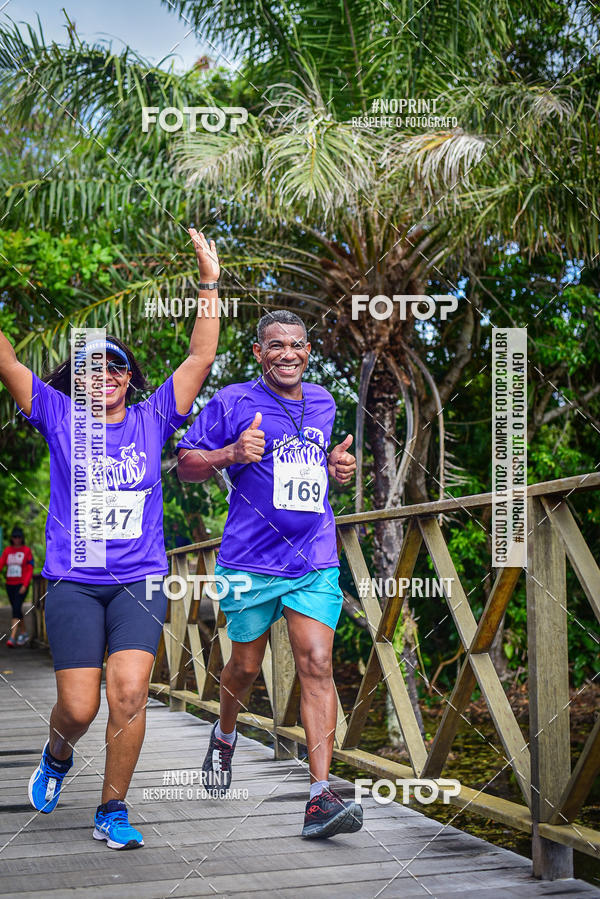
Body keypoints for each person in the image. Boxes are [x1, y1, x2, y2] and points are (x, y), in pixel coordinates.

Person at [0, 229, 220, 850]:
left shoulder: (153, 419)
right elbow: (10, 363)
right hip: (73, 580)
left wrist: (209, 280)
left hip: (139, 579)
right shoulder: (57, 414)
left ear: (128, 380)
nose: (105, 377)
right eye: (94, 367)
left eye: (116, 368)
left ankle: (113, 810)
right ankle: (57, 753)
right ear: (80, 378)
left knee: (127, 693)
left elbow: (200, 358)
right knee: (79, 707)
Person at [177, 309, 363, 839]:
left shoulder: (324, 402)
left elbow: (317, 469)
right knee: (244, 667)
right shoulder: (235, 400)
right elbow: (183, 461)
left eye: (298, 345)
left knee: (318, 663)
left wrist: (337, 470)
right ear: (259, 353)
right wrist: (231, 452)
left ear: (309, 351)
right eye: (276, 345)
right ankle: (225, 733)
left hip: (313, 554)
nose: (289, 353)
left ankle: (319, 797)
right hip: (248, 560)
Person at [0, 525, 34, 647]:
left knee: (15, 609)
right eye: (15, 537)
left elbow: (30, 569)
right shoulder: (7, 551)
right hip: (10, 585)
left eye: (19, 537)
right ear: (12, 538)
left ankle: (12, 637)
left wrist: (25, 585)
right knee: (17, 609)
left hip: (21, 585)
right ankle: (24, 633)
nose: (17, 539)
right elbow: (1, 563)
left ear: (22, 538)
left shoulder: (26, 551)